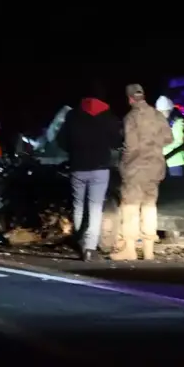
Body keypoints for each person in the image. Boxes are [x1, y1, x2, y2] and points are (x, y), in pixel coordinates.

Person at [57, 87, 122, 261]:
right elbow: (117, 141)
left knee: (78, 205)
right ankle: (90, 248)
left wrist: (74, 151)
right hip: (100, 168)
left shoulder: (73, 115)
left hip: (77, 167)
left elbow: (60, 140)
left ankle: (80, 243)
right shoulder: (108, 116)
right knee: (95, 207)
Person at [109, 84, 173, 261]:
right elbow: (169, 138)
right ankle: (148, 251)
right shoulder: (158, 115)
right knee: (149, 207)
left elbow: (130, 146)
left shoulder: (131, 117)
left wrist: (124, 165)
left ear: (130, 98)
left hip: (135, 169)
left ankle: (130, 249)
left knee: (130, 208)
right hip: (155, 168)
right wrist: (153, 145)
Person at [155, 95, 184, 177]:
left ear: (170, 110)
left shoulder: (179, 122)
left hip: (179, 162)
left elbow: (180, 141)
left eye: (163, 111)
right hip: (169, 162)